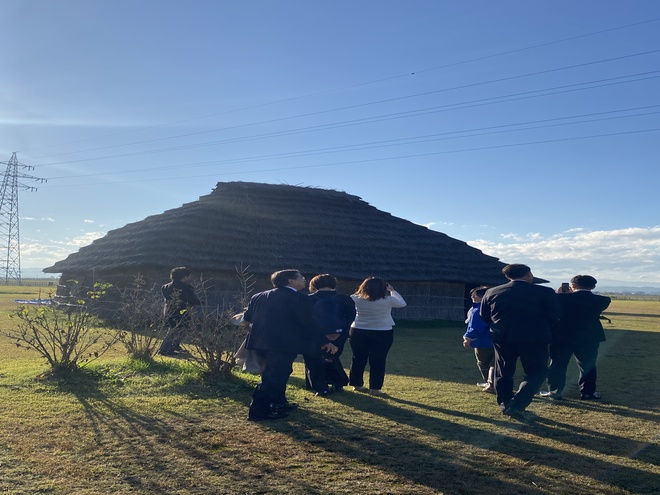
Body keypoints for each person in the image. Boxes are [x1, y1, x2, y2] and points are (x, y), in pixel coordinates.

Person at [243, 269, 335, 421]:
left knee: (279, 373)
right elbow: (309, 323)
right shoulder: (299, 298)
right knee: (273, 376)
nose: (304, 279)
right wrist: (325, 341)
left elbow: (248, 317)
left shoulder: (258, 296)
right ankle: (258, 411)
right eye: (300, 277)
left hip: (259, 341)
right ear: (290, 281)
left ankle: (279, 402)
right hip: (282, 343)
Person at [480, 264, 560, 420]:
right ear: (529, 274)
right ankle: (519, 403)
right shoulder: (544, 292)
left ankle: (505, 403)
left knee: (503, 371)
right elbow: (555, 315)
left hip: (503, 336)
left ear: (507, 277)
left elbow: (485, 316)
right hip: (535, 337)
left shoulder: (492, 292)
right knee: (537, 371)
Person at [541, 275, 611, 401]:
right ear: (593, 286)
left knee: (557, 364)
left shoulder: (560, 298)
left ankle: (554, 391)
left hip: (562, 336)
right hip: (589, 337)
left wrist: (560, 294)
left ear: (572, 285)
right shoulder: (603, 300)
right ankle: (587, 392)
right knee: (588, 365)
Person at [348, 277, 407, 396]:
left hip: (358, 330)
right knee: (378, 360)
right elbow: (402, 303)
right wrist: (392, 290)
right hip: (382, 331)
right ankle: (375, 388)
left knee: (358, 358)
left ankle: (357, 385)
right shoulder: (388, 300)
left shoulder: (355, 299)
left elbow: (351, 299)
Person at [305, 274, 356, 394]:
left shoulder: (308, 299)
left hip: (315, 334)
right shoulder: (345, 299)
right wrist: (341, 333)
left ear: (314, 284)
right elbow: (351, 317)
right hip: (338, 334)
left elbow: (306, 320)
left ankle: (320, 387)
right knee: (332, 357)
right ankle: (338, 382)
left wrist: (322, 336)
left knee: (314, 360)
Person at [159, 267, 201, 356]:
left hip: (168, 311)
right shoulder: (186, 288)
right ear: (185, 277)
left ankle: (174, 345)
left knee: (175, 329)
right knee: (178, 330)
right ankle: (164, 349)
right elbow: (191, 300)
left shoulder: (165, 287)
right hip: (182, 311)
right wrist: (200, 302)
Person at [462, 286, 494, 393]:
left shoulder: (478, 310)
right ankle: (493, 382)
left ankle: (490, 383)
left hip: (482, 341)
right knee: (494, 363)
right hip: (496, 340)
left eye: (476, 295)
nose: (473, 296)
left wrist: (468, 338)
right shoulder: (494, 308)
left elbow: (475, 327)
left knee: (483, 363)